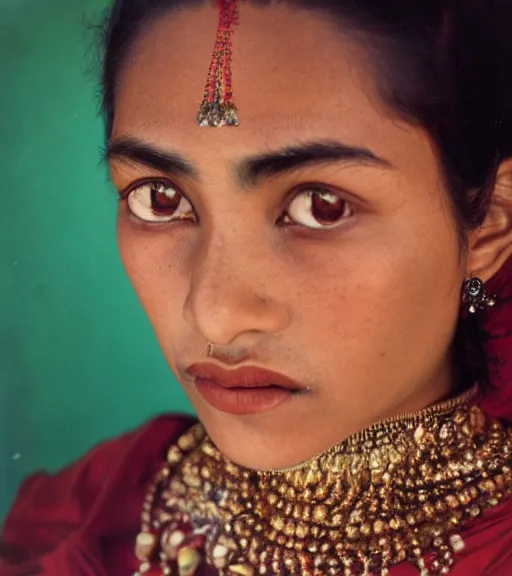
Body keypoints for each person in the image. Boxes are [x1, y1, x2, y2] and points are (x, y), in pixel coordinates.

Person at [1, 0, 512, 574]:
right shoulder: (91, 512)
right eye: (159, 199)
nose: (215, 314)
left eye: (321, 207)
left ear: (492, 224)